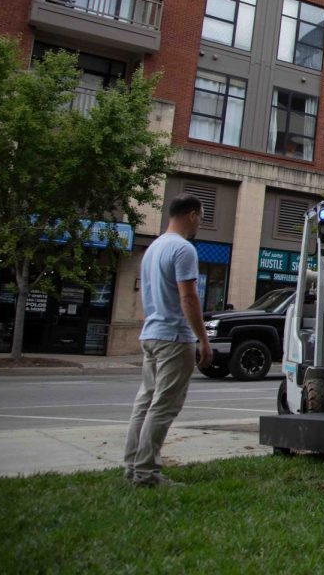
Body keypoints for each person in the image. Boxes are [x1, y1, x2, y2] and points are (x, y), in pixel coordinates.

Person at [123, 194, 211, 487]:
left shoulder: (154, 248)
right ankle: (146, 473)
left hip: (151, 333)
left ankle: (132, 467)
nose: (201, 221)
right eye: (201, 215)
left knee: (145, 403)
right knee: (162, 406)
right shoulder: (183, 249)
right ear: (191, 215)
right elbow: (188, 297)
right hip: (174, 336)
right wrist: (203, 339)